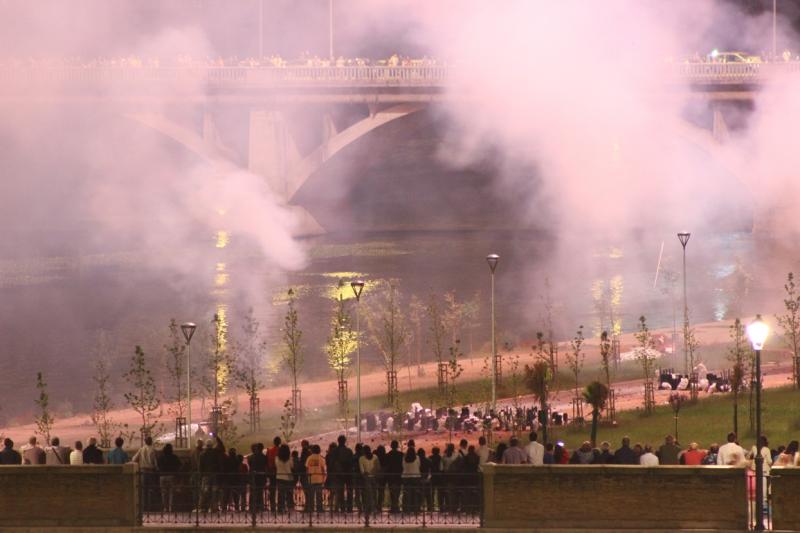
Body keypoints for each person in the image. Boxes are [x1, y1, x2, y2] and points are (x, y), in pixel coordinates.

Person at [132, 436, 159, 510]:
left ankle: (143, 507)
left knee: (143, 489)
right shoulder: (153, 450)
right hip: (151, 471)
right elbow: (156, 462)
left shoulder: (141, 449)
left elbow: (134, 459)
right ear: (151, 441)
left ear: (145, 442)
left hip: (142, 471)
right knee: (151, 489)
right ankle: (150, 506)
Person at [332, 434, 354, 512]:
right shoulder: (349, 451)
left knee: (340, 492)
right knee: (349, 491)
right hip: (348, 474)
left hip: (338, 474)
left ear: (338, 441)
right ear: (345, 441)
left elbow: (333, 463)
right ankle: (349, 508)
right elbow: (352, 462)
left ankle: (342, 508)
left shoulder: (334, 451)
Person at [157, 443, 181, 512]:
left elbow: (157, 466)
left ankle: (165, 507)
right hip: (171, 476)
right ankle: (171, 507)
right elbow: (179, 465)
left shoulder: (160, 457)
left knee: (164, 493)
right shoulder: (174, 457)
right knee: (171, 492)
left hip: (162, 476)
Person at [359, 445, 380, 515]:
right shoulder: (375, 457)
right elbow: (378, 468)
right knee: (374, 494)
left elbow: (362, 471)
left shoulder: (361, 459)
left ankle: (370, 509)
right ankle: (374, 509)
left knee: (369, 495)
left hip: (366, 479)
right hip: (375, 478)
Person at [305, 444, 326, 513]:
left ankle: (311, 509)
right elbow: (323, 469)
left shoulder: (309, 458)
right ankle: (319, 509)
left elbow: (307, 468)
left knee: (311, 495)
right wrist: (324, 478)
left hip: (311, 479)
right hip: (319, 479)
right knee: (319, 496)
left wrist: (307, 476)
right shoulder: (321, 458)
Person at [385, 440, 404, 513]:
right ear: (397, 446)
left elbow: (387, 466)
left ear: (391, 446)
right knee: (398, 492)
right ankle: (396, 507)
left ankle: (394, 507)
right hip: (399, 476)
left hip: (391, 476)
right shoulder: (401, 454)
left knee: (392, 492)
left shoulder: (388, 455)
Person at [248, 443, 267, 512]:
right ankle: (260, 507)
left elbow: (250, 465)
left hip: (253, 477)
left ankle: (252, 508)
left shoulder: (250, 457)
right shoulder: (264, 457)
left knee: (253, 493)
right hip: (261, 477)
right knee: (260, 493)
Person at [401, 446, 421, 513]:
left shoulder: (404, 458)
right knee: (416, 494)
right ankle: (416, 509)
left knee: (407, 494)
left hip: (406, 477)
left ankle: (406, 509)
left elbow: (403, 466)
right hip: (416, 477)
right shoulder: (417, 458)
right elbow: (419, 465)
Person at [275, 444, 294, 512]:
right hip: (288, 477)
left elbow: (276, 466)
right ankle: (290, 508)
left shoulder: (277, 458)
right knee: (289, 494)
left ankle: (281, 508)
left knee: (281, 495)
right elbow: (292, 466)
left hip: (279, 477)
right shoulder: (290, 458)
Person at [266, 437, 281, 511]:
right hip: (280, 472)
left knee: (272, 490)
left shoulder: (269, 451)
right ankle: (281, 507)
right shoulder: (281, 451)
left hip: (271, 472)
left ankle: (272, 507)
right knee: (281, 490)